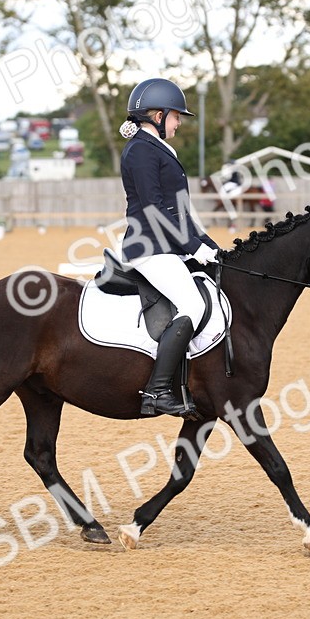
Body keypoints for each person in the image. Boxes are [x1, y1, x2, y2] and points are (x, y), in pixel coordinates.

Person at [118, 78, 220, 419]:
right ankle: (158, 391)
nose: (179, 123)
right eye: (177, 116)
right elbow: (153, 209)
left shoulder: (157, 148)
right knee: (191, 301)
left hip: (167, 245)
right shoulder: (142, 150)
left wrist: (208, 246)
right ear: (157, 115)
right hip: (148, 247)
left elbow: (179, 211)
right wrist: (192, 246)